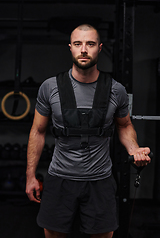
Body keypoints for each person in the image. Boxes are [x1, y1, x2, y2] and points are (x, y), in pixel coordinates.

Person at [26, 24, 151, 238]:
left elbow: (124, 125)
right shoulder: (49, 87)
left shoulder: (116, 90)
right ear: (71, 48)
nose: (84, 49)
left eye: (90, 44)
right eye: (78, 44)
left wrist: (135, 149)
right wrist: (30, 176)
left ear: (99, 48)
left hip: (99, 180)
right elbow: (37, 131)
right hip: (59, 178)